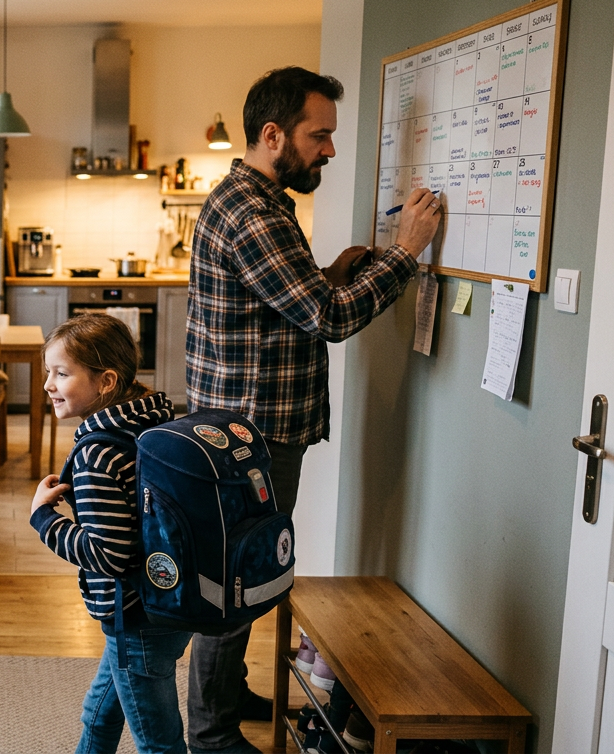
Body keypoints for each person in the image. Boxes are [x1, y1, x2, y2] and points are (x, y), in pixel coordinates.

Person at [184, 67, 442, 752]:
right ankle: (209, 734)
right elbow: (325, 319)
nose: (329, 150)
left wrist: (331, 271)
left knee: (244, 571)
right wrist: (404, 254)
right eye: (318, 134)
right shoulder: (255, 213)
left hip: (247, 424)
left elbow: (282, 307)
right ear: (273, 135)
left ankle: (226, 692)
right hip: (251, 434)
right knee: (238, 579)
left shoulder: (259, 202)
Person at [29, 314, 182, 753]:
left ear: (106, 381)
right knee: (100, 713)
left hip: (134, 615)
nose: (48, 385)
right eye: (47, 372)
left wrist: (43, 518)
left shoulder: (97, 453)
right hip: (165, 595)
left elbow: (107, 555)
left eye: (62, 373)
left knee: (159, 742)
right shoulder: (152, 420)